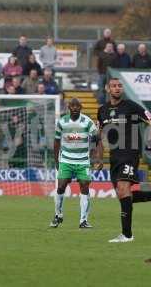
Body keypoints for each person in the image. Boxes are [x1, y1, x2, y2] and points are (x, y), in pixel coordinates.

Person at [96, 77, 151, 243]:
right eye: (113, 86)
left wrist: (150, 140)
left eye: (119, 86)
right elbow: (100, 135)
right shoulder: (102, 110)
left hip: (130, 153)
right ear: (107, 89)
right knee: (123, 194)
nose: (117, 88)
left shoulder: (131, 106)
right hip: (114, 156)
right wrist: (99, 157)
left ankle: (127, 235)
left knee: (124, 189)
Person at [50, 98, 98, 229]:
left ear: (81, 107)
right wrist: (56, 160)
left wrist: (95, 157)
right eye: (73, 105)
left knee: (84, 187)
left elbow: (96, 137)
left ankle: (83, 220)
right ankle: (58, 215)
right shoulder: (62, 122)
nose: (75, 108)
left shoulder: (87, 121)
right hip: (66, 159)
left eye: (77, 106)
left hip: (83, 160)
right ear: (69, 107)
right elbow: (56, 142)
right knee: (61, 187)